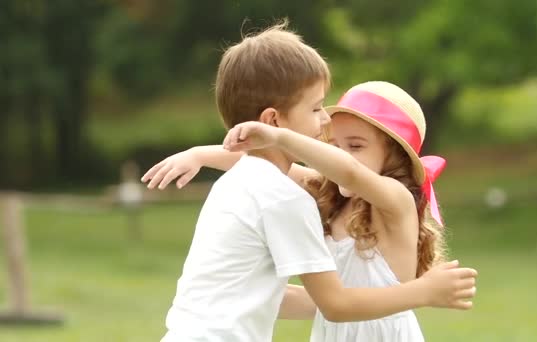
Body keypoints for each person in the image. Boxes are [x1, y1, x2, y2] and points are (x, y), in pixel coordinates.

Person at [145, 22, 477, 342]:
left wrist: (278, 136)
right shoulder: (325, 194)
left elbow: (348, 171)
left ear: (395, 157)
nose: (334, 152)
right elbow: (262, 164)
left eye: (356, 146)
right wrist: (201, 154)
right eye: (334, 145)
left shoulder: (395, 199)